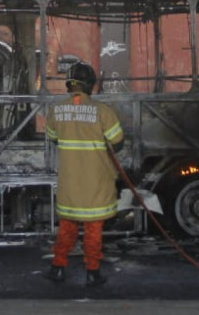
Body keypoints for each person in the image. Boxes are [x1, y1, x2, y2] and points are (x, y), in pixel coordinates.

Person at [45, 59, 124, 287]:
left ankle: (58, 268)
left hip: (70, 182)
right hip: (95, 182)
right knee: (92, 229)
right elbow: (117, 142)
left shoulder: (56, 110)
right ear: (90, 84)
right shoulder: (103, 112)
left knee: (67, 227)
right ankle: (92, 273)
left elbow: (53, 136)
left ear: (69, 84)